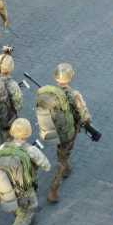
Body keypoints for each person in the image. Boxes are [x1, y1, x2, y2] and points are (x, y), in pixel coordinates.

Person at [45, 63, 92, 203]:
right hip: (68, 131)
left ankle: (65, 164)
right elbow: (85, 116)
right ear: (70, 77)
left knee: (61, 150)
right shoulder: (74, 94)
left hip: (53, 130)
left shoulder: (49, 93)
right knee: (63, 157)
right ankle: (54, 189)